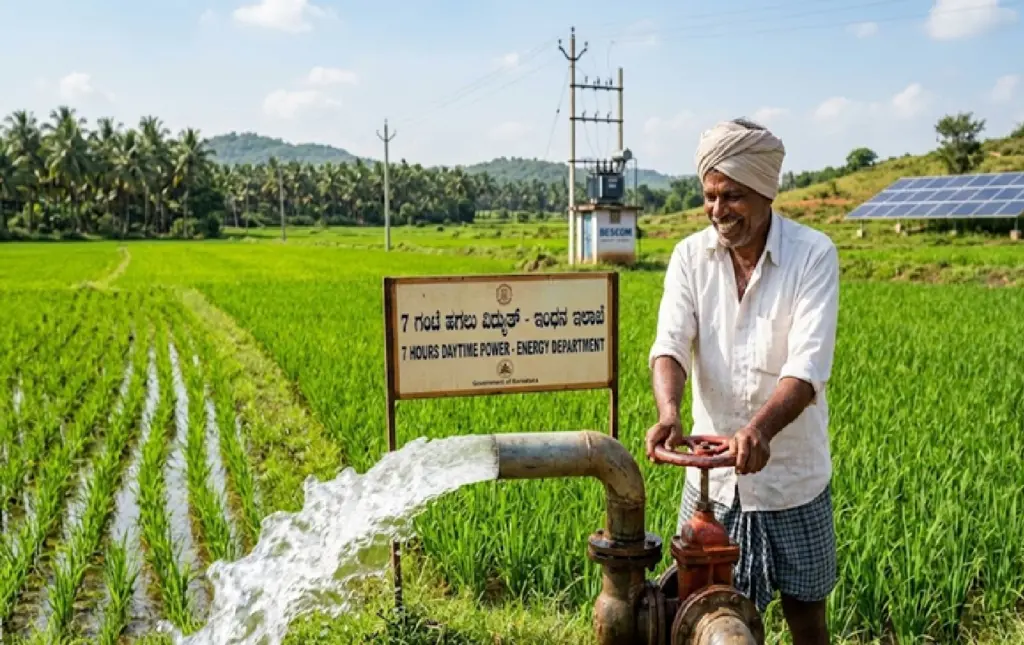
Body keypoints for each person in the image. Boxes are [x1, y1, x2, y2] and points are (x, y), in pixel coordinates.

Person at [645, 118, 840, 645]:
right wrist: (669, 412)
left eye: (731, 196)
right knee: (698, 618)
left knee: (807, 618)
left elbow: (806, 368)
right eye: (709, 196)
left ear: (764, 192)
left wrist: (759, 431)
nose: (717, 210)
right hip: (713, 483)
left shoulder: (813, 254)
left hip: (792, 482)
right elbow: (670, 344)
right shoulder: (690, 257)